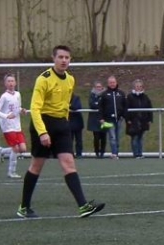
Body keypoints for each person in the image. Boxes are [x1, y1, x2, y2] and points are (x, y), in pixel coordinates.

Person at [16, 45, 105, 219]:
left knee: (69, 163)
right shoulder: (43, 79)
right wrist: (42, 133)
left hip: (62, 125)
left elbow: (64, 105)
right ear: (54, 58)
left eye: (67, 57)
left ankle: (83, 206)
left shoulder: (70, 79)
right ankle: (24, 207)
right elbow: (35, 108)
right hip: (43, 123)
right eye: (61, 57)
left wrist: (64, 124)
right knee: (36, 166)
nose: (64, 60)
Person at [0, 74, 27, 178]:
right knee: (15, 149)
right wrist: (6, 116)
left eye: (12, 81)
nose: (11, 83)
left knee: (23, 149)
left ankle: (2, 151)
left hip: (17, 125)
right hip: (7, 127)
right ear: (5, 84)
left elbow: (17, 107)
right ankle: (11, 172)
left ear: (15, 83)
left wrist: (22, 110)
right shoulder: (4, 96)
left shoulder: (18, 94)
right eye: (8, 81)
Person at [99, 75, 126, 158]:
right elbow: (101, 107)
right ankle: (114, 153)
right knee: (112, 136)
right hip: (109, 119)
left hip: (119, 119)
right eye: (110, 82)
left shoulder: (121, 93)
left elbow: (125, 105)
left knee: (117, 137)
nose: (112, 84)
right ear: (108, 83)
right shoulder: (104, 94)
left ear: (116, 83)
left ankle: (116, 153)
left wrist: (123, 116)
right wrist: (101, 118)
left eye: (113, 82)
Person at [125, 79, 153, 159]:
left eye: (140, 86)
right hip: (133, 121)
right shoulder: (130, 97)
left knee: (140, 137)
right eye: (137, 86)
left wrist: (149, 119)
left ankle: (140, 153)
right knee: (135, 137)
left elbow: (149, 108)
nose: (138, 88)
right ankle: (136, 154)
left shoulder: (145, 97)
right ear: (134, 87)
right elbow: (126, 109)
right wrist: (128, 119)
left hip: (143, 120)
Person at [86, 82, 107, 159]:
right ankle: (97, 152)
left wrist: (98, 104)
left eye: (100, 86)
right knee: (96, 137)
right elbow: (92, 104)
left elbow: (105, 105)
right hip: (94, 119)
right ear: (94, 87)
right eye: (97, 86)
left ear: (102, 87)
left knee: (103, 137)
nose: (98, 88)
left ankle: (102, 152)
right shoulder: (92, 95)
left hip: (104, 118)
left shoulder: (105, 95)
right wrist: (99, 104)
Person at [69, 93, 84, 158]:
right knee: (70, 140)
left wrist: (69, 105)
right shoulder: (63, 97)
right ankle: (70, 153)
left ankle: (79, 153)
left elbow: (77, 107)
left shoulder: (76, 97)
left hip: (78, 123)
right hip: (68, 123)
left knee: (79, 140)